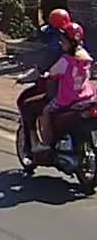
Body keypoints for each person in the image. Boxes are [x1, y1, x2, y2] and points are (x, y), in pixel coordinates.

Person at [36, 21, 95, 153]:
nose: (61, 42)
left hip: (67, 99)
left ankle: (46, 143)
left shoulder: (66, 60)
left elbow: (52, 73)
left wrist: (45, 75)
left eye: (63, 40)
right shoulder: (86, 58)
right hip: (87, 97)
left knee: (46, 112)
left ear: (71, 42)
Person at [18, 8, 72, 150]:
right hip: (81, 94)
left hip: (60, 93)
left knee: (27, 106)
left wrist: (24, 78)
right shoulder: (80, 50)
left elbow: (41, 71)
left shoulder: (55, 51)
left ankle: (34, 144)